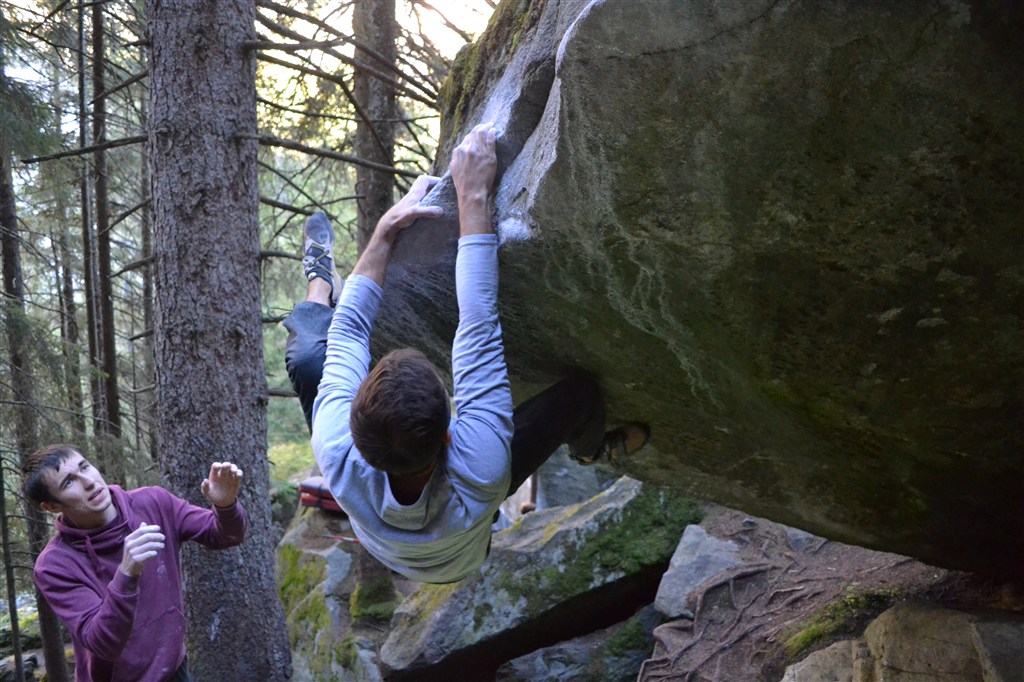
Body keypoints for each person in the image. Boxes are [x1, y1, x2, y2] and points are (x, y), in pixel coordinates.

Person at [283, 123, 649, 584]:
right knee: (579, 396)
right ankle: (590, 450)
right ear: (451, 436)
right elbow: (478, 324)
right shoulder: (482, 466)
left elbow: (351, 329)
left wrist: (385, 230)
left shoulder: (337, 448)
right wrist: (473, 195)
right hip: (466, 543)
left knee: (308, 359)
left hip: (392, 540)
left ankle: (321, 284)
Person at [21, 444, 247, 682]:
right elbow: (103, 643)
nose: (88, 481)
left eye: (85, 467)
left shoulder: (153, 503)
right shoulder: (55, 565)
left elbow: (224, 535)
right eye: (69, 482)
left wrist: (225, 506)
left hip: (173, 667)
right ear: (52, 506)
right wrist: (126, 573)